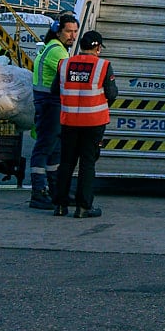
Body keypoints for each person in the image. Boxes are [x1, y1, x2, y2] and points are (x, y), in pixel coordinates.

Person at [52, 29, 118, 218]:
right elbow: (112, 93)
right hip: (94, 122)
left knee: (66, 162)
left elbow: (55, 90)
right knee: (87, 164)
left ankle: (60, 206)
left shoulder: (64, 64)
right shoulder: (103, 66)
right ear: (97, 47)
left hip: (69, 120)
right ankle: (83, 207)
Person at [27, 14, 77, 210]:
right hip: (50, 103)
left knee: (55, 149)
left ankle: (57, 191)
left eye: (74, 31)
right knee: (44, 148)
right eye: (68, 31)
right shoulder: (57, 51)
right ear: (58, 31)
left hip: (50, 102)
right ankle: (38, 193)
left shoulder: (54, 47)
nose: (72, 35)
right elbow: (72, 76)